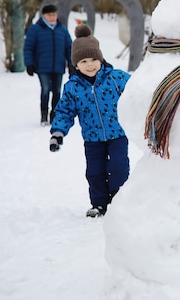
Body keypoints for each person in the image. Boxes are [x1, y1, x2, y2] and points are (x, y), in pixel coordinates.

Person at [49, 24, 131, 218]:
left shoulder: (115, 78)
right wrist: (58, 133)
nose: (90, 64)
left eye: (94, 59)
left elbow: (138, 91)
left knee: (119, 168)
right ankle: (99, 204)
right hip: (93, 138)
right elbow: (64, 111)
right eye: (84, 60)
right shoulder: (73, 88)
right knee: (95, 172)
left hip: (117, 134)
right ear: (76, 64)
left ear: (101, 59)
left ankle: (119, 200)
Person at [24, 4, 73, 126]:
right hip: (42, 66)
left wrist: (72, 64)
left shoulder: (62, 29)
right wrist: (29, 63)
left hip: (58, 66)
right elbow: (28, 47)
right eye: (49, 15)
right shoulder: (35, 29)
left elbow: (69, 48)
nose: (52, 17)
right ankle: (44, 115)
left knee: (57, 91)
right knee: (45, 90)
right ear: (44, 16)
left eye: (54, 15)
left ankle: (54, 115)